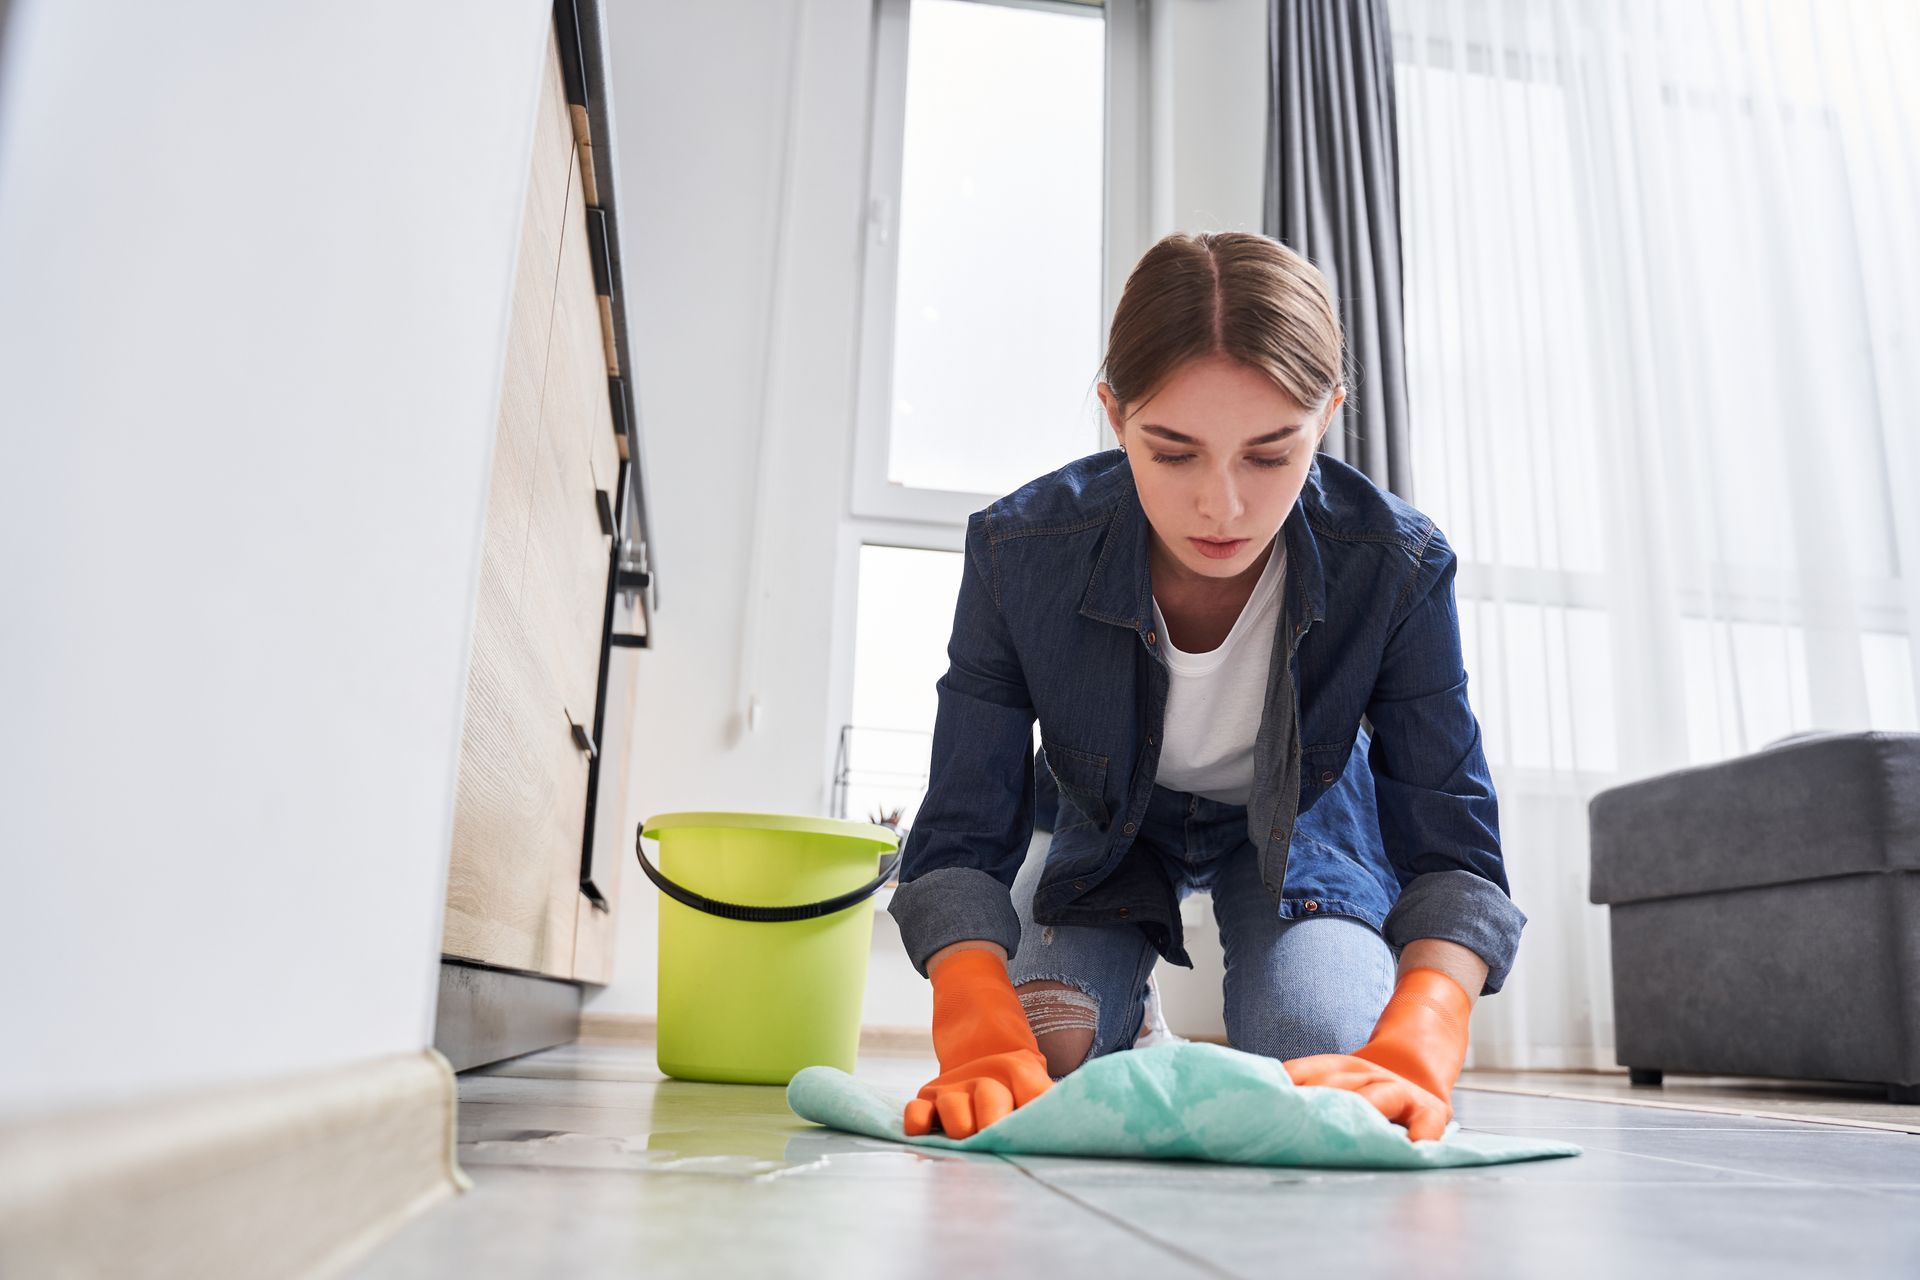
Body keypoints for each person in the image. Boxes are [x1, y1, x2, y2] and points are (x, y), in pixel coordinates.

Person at [886, 230, 1528, 1144]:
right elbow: (959, 827)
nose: (1220, 507)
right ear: (1115, 416)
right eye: (1173, 452)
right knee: (1049, 1048)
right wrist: (971, 1025)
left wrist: (1427, 1031)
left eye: (1270, 455)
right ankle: (1133, 1024)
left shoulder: (1397, 564)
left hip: (1303, 831)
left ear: (1328, 416)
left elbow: (1452, 838)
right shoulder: (1016, 553)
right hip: (1105, 832)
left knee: (1322, 1050)